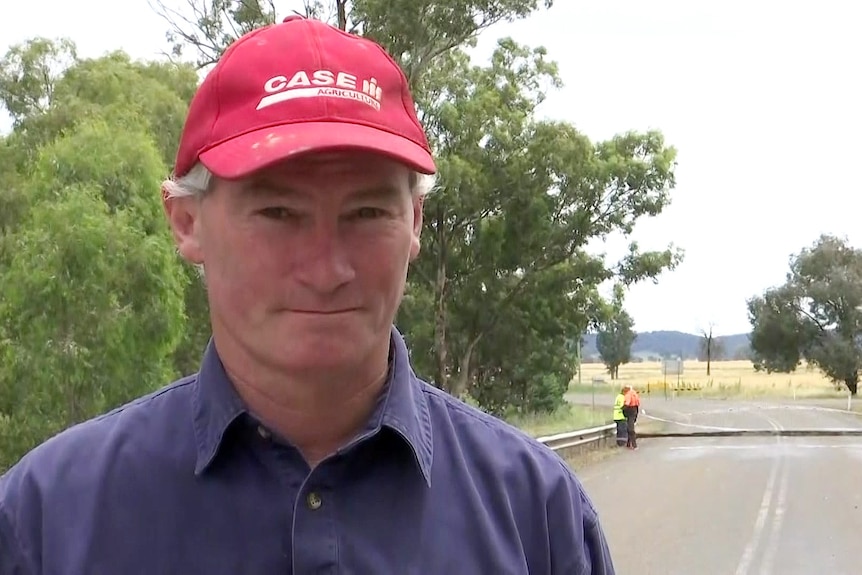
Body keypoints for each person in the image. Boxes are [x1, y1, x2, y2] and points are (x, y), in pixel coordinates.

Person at [0, 16, 616, 574]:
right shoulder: (46, 523)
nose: (327, 268)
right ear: (187, 222)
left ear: (416, 224)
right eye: (278, 212)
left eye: (368, 211)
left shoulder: (539, 518)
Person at [623, 385, 641, 450]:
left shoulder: (628, 394)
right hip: (635, 410)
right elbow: (638, 403)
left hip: (630, 411)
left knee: (630, 428)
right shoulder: (635, 393)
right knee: (629, 427)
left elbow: (627, 404)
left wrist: (622, 410)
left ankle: (634, 445)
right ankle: (628, 443)